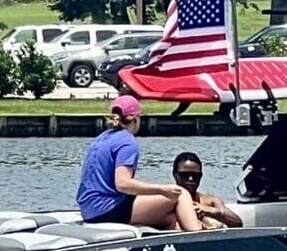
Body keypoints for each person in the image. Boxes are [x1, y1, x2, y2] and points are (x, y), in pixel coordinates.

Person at [77, 96, 202, 231]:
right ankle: (201, 238)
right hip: (106, 209)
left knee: (170, 219)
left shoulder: (102, 138)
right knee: (180, 193)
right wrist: (162, 190)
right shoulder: (127, 142)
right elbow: (123, 184)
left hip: (88, 210)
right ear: (136, 119)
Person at [172, 152, 243, 229]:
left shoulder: (210, 201)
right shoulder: (168, 202)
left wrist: (212, 212)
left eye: (195, 176)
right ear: (175, 175)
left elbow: (238, 224)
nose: (190, 179)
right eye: (185, 175)